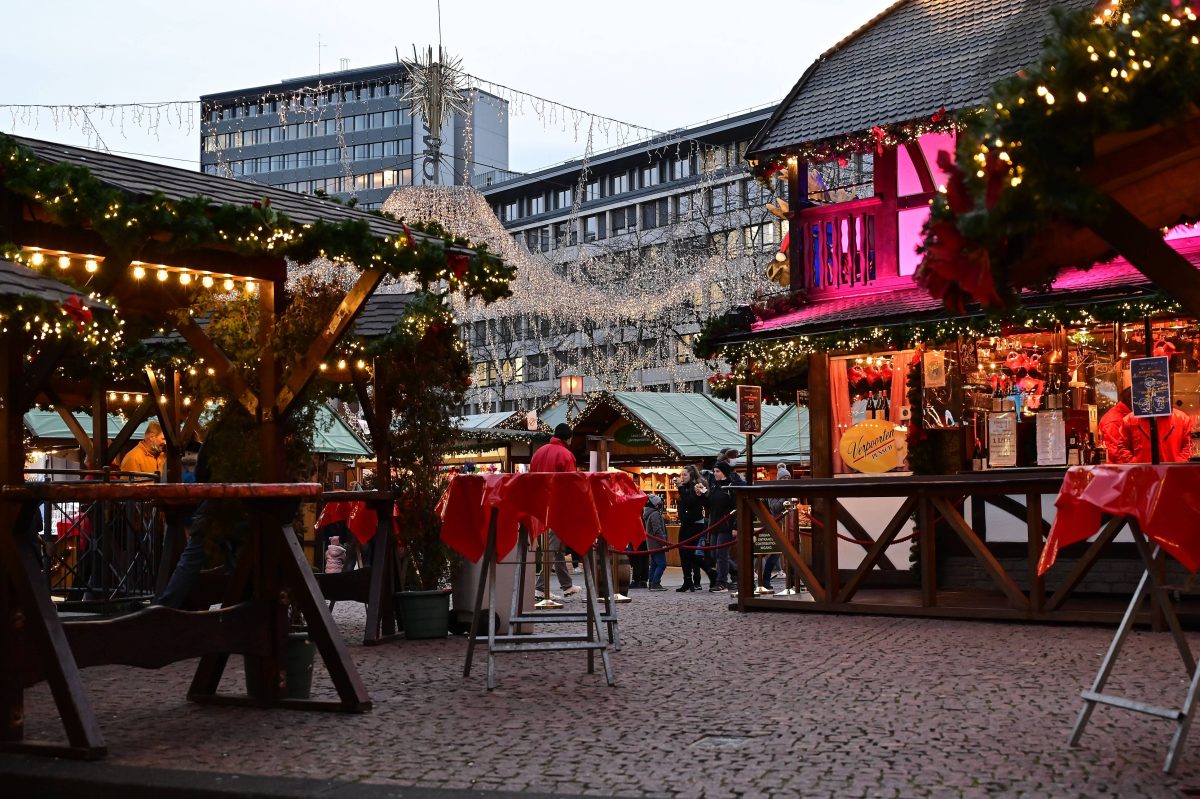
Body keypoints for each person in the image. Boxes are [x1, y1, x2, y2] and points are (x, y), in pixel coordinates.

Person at [531, 423, 583, 599]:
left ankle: (566, 585)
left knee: (556, 546)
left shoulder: (539, 451)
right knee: (553, 547)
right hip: (558, 506)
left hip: (539, 505)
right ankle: (540, 587)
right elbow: (570, 485)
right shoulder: (566, 455)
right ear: (569, 438)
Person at [675, 465, 710, 592]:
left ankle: (697, 580)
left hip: (695, 524)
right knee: (683, 552)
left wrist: (680, 488)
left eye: (685, 475)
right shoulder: (685, 488)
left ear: (691, 476)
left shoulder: (696, 487)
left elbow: (690, 502)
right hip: (685, 523)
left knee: (693, 553)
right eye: (681, 475)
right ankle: (687, 580)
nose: (682, 477)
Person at [1121, 406, 1194, 463]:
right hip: (1142, 474)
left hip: (1172, 474)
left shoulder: (1182, 418)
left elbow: (1189, 445)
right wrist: (1135, 465)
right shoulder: (1130, 420)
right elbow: (1123, 446)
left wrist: (1178, 465)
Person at [707, 461, 738, 592]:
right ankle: (737, 572)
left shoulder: (731, 487)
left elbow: (737, 508)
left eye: (717, 471)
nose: (715, 474)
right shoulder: (714, 486)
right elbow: (710, 506)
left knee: (721, 554)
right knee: (714, 554)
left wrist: (735, 526)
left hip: (726, 525)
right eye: (714, 471)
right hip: (715, 524)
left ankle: (722, 582)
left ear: (724, 472)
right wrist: (702, 496)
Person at [761, 463, 790, 591]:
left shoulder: (789, 490)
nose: (786, 480)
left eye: (788, 478)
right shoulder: (774, 490)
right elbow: (774, 507)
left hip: (789, 525)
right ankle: (765, 580)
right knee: (775, 554)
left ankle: (793, 581)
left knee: (793, 553)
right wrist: (785, 498)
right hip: (778, 524)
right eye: (784, 478)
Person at [1099, 386, 1134, 463]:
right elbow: (1117, 453)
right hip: (1119, 471)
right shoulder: (1114, 421)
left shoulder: (1126, 415)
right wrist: (1134, 467)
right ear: (1131, 401)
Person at [642, 494, 668, 591]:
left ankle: (652, 582)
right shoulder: (655, 514)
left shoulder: (649, 514)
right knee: (662, 564)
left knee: (654, 564)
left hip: (651, 544)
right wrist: (663, 542)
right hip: (657, 544)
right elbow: (658, 530)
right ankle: (655, 583)